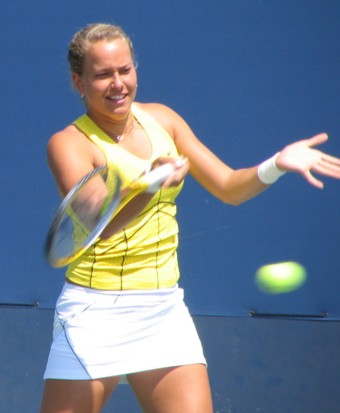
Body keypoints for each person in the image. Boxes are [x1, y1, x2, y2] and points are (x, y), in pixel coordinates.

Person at [40, 23, 340, 413]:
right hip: (94, 312)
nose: (118, 84)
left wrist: (276, 165)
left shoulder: (163, 119)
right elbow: (100, 223)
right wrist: (148, 185)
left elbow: (229, 187)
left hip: (162, 308)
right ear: (79, 82)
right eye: (102, 75)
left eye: (125, 70)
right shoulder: (68, 144)